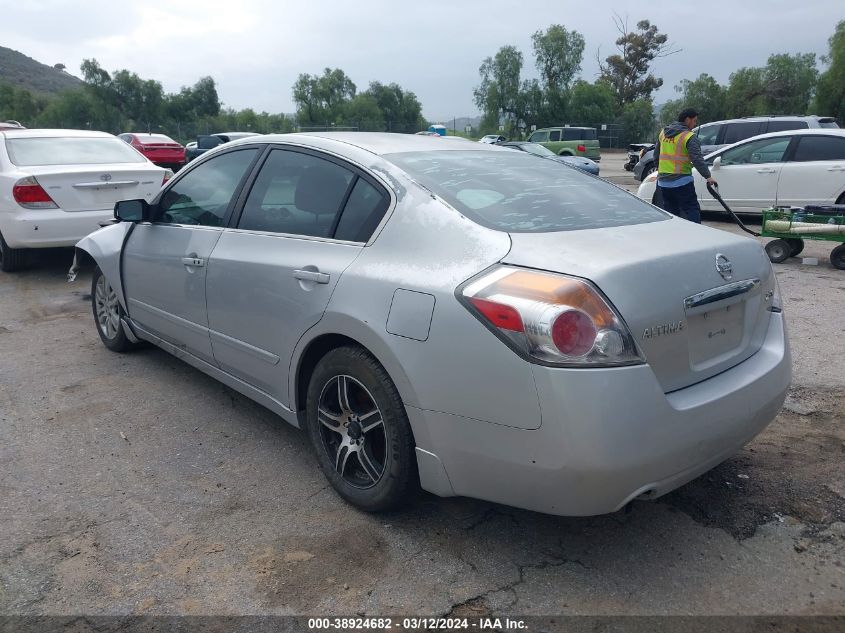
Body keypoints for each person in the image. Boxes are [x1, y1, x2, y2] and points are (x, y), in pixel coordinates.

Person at [655, 107, 716, 224]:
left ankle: (674, 235)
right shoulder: (689, 137)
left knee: (671, 212)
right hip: (682, 181)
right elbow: (697, 159)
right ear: (687, 120)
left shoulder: (663, 133)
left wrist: (660, 171)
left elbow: (656, 155)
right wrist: (708, 176)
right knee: (691, 209)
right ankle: (696, 234)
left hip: (663, 182)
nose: (695, 124)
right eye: (694, 121)